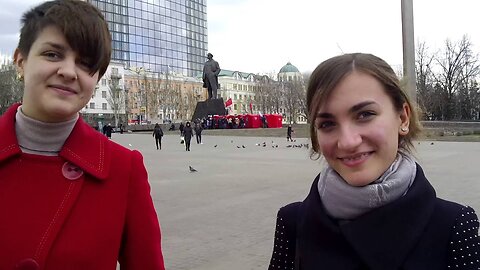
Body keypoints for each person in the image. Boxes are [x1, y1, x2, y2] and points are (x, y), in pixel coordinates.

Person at [268, 53, 480, 269]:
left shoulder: (454, 226)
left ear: (403, 118)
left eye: (365, 114)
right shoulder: (293, 223)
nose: (348, 142)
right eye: (327, 124)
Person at [0, 1, 165, 269]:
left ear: (96, 79)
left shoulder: (123, 169)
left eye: (85, 63)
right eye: (53, 54)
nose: (68, 72)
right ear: (20, 60)